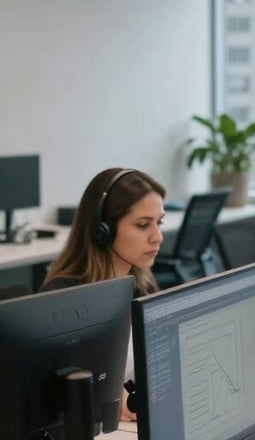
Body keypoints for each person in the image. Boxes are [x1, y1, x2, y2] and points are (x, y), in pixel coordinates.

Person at [40, 167, 165, 421]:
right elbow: (52, 403)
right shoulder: (64, 301)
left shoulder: (142, 284)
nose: (158, 237)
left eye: (159, 222)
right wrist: (101, 402)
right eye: (143, 225)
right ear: (102, 230)